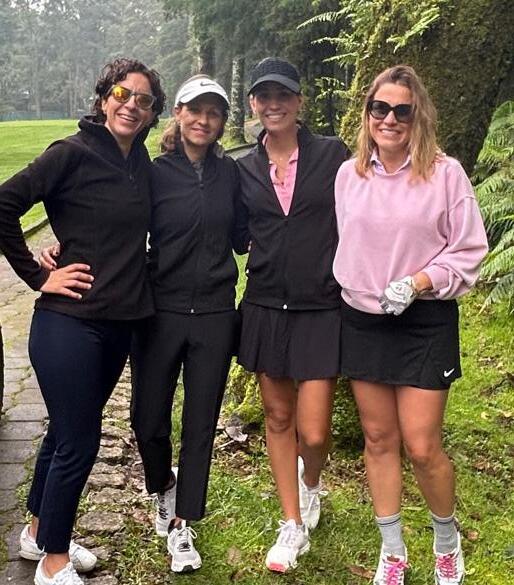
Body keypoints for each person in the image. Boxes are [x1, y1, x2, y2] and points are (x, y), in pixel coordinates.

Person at [0, 58, 165, 585]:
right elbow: (4, 204)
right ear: (103, 97)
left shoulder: (139, 162)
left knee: (63, 433)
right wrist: (37, 275)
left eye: (144, 100)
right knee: (79, 441)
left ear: (152, 113)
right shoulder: (70, 153)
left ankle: (37, 533)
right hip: (68, 322)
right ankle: (53, 563)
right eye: (122, 93)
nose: (131, 105)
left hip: (118, 324)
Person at [332, 65, 488, 585]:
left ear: (418, 115)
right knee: (379, 439)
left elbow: (468, 249)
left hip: (424, 319)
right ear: (367, 114)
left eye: (403, 110)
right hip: (363, 319)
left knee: (421, 446)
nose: (390, 119)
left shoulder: (445, 174)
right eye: (380, 108)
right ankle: (393, 552)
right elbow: (348, 243)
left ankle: (446, 544)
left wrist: (419, 281)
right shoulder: (349, 175)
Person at [129, 75, 248, 573]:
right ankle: (164, 486)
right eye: (195, 110)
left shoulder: (231, 174)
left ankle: (183, 524)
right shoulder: (155, 173)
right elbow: (117, 225)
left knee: (201, 424)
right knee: (146, 419)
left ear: (222, 122)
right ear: (177, 113)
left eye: (213, 112)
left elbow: (246, 234)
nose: (203, 119)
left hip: (216, 314)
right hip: (161, 312)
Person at [236, 57, 350, 573]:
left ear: (299, 101)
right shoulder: (243, 167)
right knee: (278, 418)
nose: (274, 104)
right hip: (265, 306)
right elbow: (230, 230)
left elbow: (366, 211)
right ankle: (291, 524)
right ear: (254, 104)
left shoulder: (332, 155)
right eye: (264, 96)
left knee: (316, 432)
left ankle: (311, 485)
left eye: (283, 95)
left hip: (321, 305)